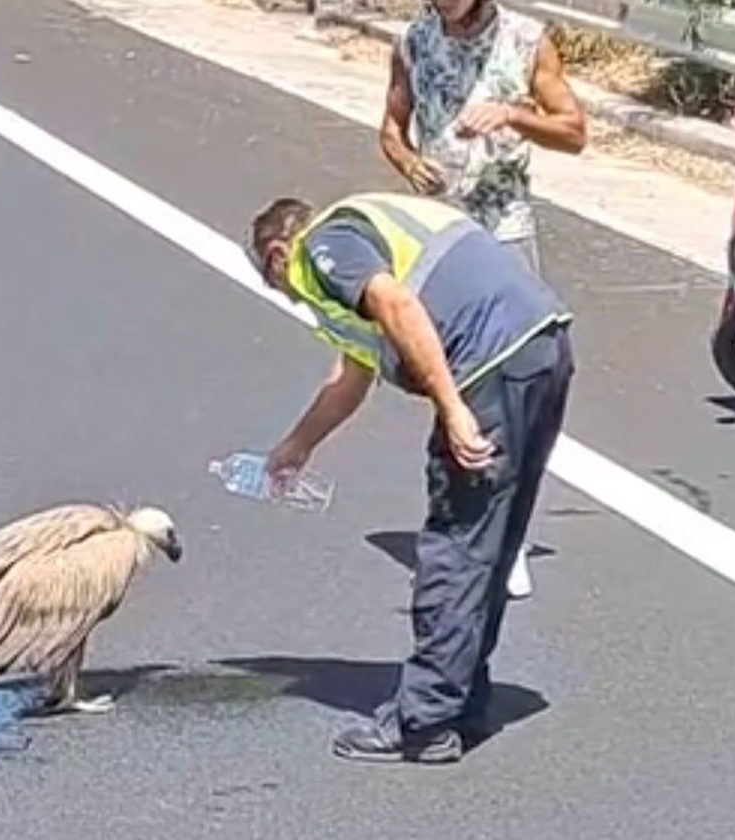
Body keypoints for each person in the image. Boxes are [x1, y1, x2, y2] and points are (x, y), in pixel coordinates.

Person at [249, 191, 574, 763]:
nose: (300, 302)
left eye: (283, 290)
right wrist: (297, 446)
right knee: (491, 541)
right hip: (542, 347)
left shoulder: (323, 246)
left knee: (455, 543)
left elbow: (398, 307)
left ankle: (423, 722)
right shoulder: (375, 229)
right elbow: (353, 373)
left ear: (278, 255)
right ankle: (462, 699)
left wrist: (452, 408)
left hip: (488, 362)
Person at [380, 0, 586, 597]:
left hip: (504, 225)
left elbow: (574, 131)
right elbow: (391, 129)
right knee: (450, 385)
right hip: (440, 232)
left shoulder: (526, 40)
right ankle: (463, 526)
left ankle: (510, 537)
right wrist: (408, 161)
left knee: (517, 380)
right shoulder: (413, 40)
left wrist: (515, 117)